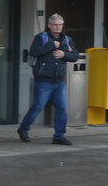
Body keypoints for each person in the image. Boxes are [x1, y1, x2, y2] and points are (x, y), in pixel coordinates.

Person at [17, 13, 78, 145]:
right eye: (55, 24)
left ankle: (59, 136)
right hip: (43, 80)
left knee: (62, 108)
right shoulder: (40, 37)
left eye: (60, 24)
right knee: (38, 107)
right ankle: (23, 129)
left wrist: (64, 54)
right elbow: (33, 51)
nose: (57, 27)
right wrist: (52, 45)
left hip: (59, 82)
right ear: (49, 25)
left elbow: (75, 56)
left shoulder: (67, 39)